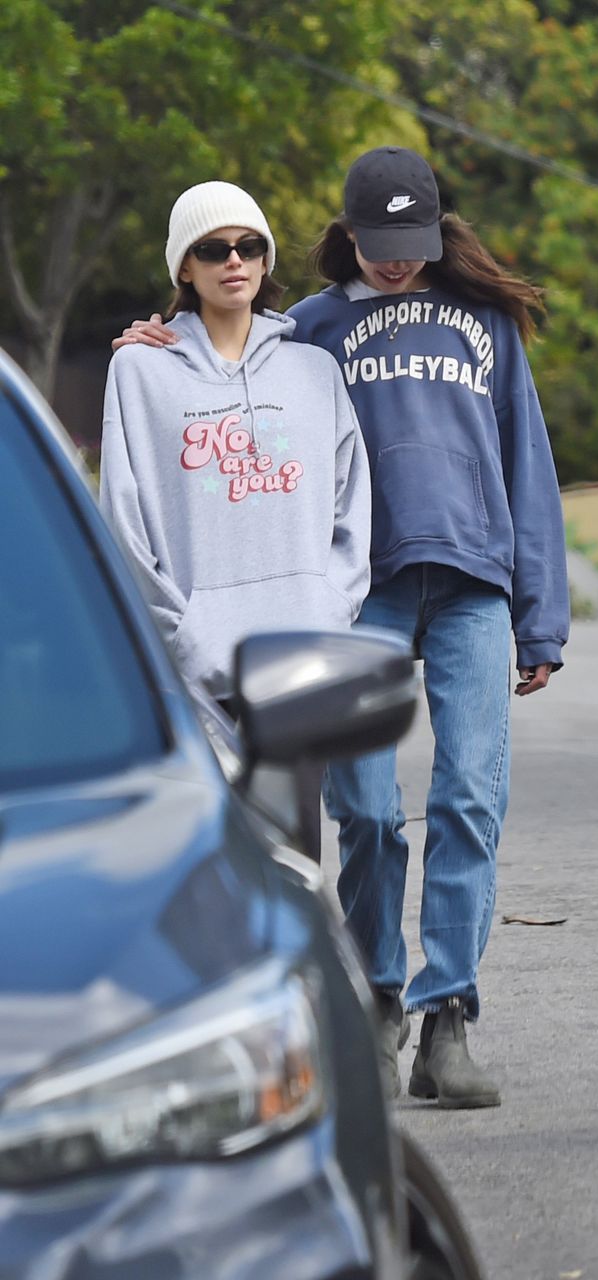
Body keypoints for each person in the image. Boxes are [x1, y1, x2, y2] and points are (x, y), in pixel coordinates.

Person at [118, 148, 568, 1104]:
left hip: (477, 582)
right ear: (348, 235)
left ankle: (450, 1017)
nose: (399, 262)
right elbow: (223, 360)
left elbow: (527, 459)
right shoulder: (309, 332)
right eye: (381, 245)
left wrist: (543, 616)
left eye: (415, 244)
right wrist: (158, 335)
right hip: (365, 595)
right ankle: (378, 992)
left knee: (467, 800)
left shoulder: (486, 322)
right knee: (363, 809)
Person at [99, 180, 370, 861]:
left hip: (293, 667)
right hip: (193, 672)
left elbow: (351, 508)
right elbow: (123, 520)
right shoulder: (140, 369)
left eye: (249, 246)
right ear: (183, 268)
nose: (234, 261)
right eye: (213, 249)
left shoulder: (314, 371)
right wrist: (182, 637)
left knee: (297, 867)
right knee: (203, 871)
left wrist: (327, 612)